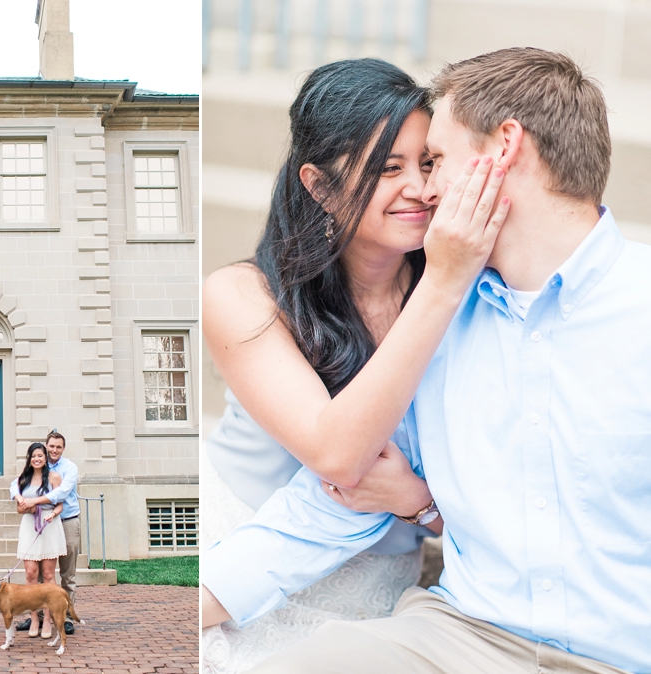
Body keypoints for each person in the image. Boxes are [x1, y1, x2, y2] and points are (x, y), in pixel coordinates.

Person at [246, 47, 649, 674]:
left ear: (503, 147)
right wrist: (419, 500)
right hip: (458, 634)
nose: (425, 190)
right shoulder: (431, 312)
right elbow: (337, 486)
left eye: (434, 161)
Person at [200, 58, 509, 672]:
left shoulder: (477, 297)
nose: (419, 189)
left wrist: (419, 502)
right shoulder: (241, 297)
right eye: (387, 168)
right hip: (240, 546)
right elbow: (338, 455)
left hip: (375, 595)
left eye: (427, 164)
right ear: (317, 185)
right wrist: (445, 280)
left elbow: (501, 492)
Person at [10, 441, 66, 639]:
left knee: (49, 575)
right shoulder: (22, 480)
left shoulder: (54, 477)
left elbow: (60, 505)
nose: (37, 459)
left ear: (45, 458)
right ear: (29, 458)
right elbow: (18, 509)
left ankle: (48, 620)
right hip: (29, 526)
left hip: (49, 526)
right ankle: (34, 618)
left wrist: (52, 515)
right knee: (31, 573)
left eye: (40, 456)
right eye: (33, 456)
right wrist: (28, 508)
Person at [42, 430, 80, 635]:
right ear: (46, 446)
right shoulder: (38, 463)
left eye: (58, 446)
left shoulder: (70, 468)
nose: (54, 450)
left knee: (68, 574)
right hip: (45, 522)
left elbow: (63, 492)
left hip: (67, 521)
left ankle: (65, 617)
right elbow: (22, 482)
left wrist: (37, 501)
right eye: (51, 446)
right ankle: (41, 617)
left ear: (63, 448)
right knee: (43, 572)